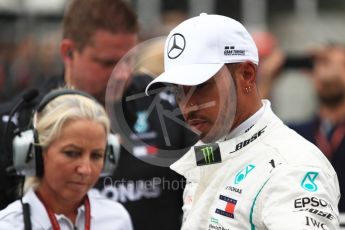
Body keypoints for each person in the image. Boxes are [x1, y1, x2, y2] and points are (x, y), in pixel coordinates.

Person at [0, 0, 196, 229]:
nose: (122, 75)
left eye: (129, 60)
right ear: (68, 52)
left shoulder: (165, 103)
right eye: (107, 63)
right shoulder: (19, 122)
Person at [145, 13, 340, 229]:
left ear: (247, 74)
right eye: (178, 91)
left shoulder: (293, 165)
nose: (187, 105)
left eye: (201, 86)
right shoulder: (211, 150)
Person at [0, 88, 133, 229]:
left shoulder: (117, 219)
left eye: (96, 156)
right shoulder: (9, 226)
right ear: (36, 153)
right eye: (72, 153)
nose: (85, 170)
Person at [289, 43, 345, 212]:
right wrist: (268, 74)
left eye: (341, 65)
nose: (329, 74)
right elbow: (247, 137)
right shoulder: (293, 134)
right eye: (321, 65)